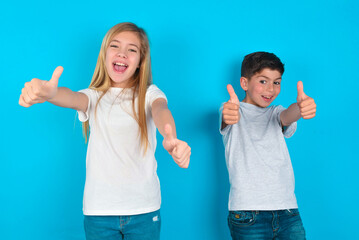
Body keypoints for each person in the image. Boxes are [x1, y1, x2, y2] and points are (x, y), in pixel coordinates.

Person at [19, 22, 191, 240]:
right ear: (105, 54)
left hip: (143, 209)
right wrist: (49, 94)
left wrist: (170, 137)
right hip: (99, 212)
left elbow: (161, 110)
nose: (122, 53)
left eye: (132, 49)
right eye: (115, 46)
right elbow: (71, 97)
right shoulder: (93, 96)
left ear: (140, 61)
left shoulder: (149, 93)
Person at [220, 51, 316, 239]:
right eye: (263, 81)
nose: (270, 89)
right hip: (248, 214)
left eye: (276, 82)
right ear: (244, 83)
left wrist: (301, 107)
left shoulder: (275, 113)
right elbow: (226, 117)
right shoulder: (231, 110)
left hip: (287, 211)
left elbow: (289, 114)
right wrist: (229, 112)